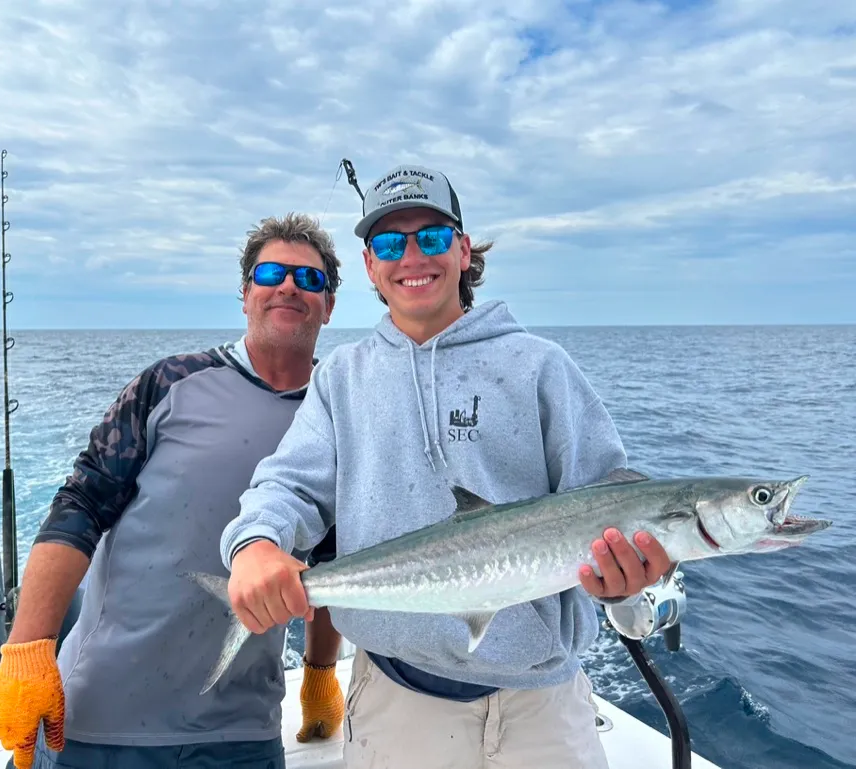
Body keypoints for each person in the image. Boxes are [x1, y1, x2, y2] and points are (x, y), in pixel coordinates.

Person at [219, 164, 674, 768]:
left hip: (541, 705)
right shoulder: (341, 379)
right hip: (393, 703)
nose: (412, 256)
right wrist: (255, 542)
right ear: (369, 264)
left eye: (431, 237)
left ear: (463, 250)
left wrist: (629, 573)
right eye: (389, 242)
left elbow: (608, 499)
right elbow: (288, 485)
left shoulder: (542, 367)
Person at [0, 212, 348, 769]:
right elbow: (80, 505)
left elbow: (329, 566)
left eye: (310, 278)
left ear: (329, 305)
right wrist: (28, 649)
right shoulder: (169, 383)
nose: (290, 286)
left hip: (241, 733)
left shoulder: (336, 418)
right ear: (246, 294)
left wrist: (319, 672)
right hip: (97, 720)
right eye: (272, 273)